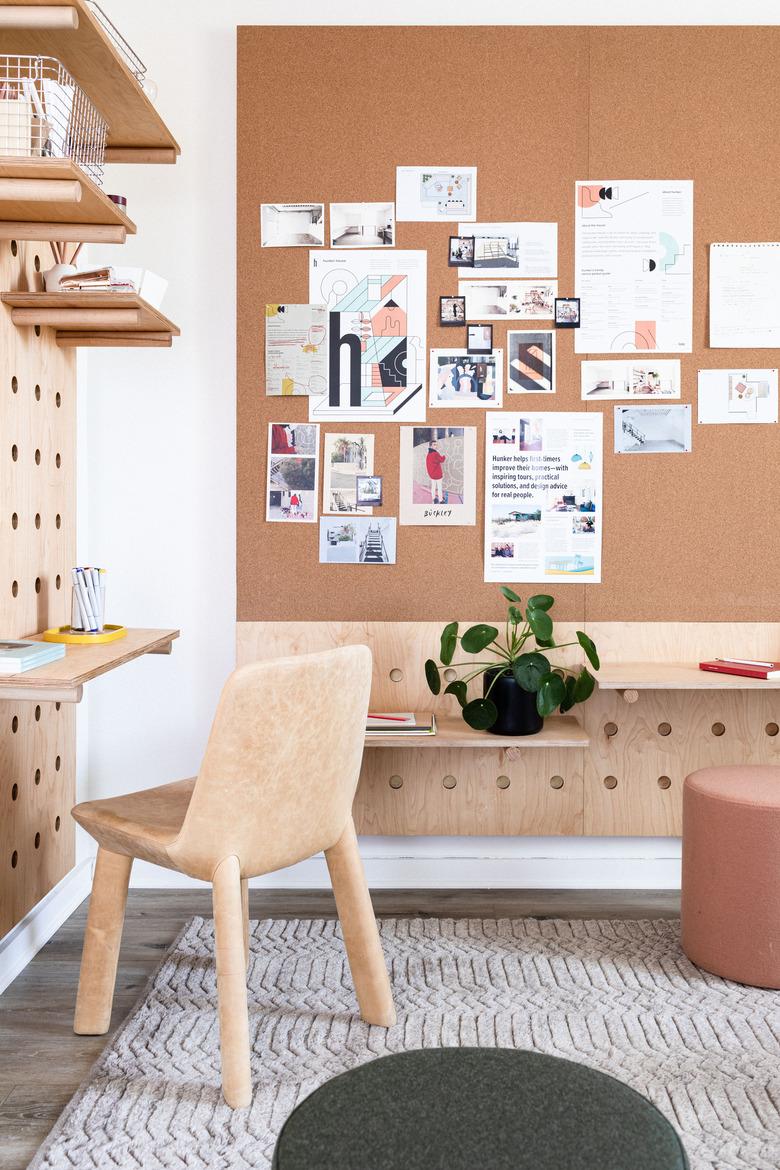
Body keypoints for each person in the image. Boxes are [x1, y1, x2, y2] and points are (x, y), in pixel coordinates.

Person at [426, 439, 446, 505]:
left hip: (432, 474)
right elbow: (441, 460)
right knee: (439, 488)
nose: (436, 446)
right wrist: (444, 456)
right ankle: (440, 500)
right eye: (434, 445)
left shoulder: (428, 455)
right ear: (431, 446)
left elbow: (428, 465)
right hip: (437, 474)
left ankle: (434, 499)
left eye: (436, 445)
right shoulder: (436, 453)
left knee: (433, 487)